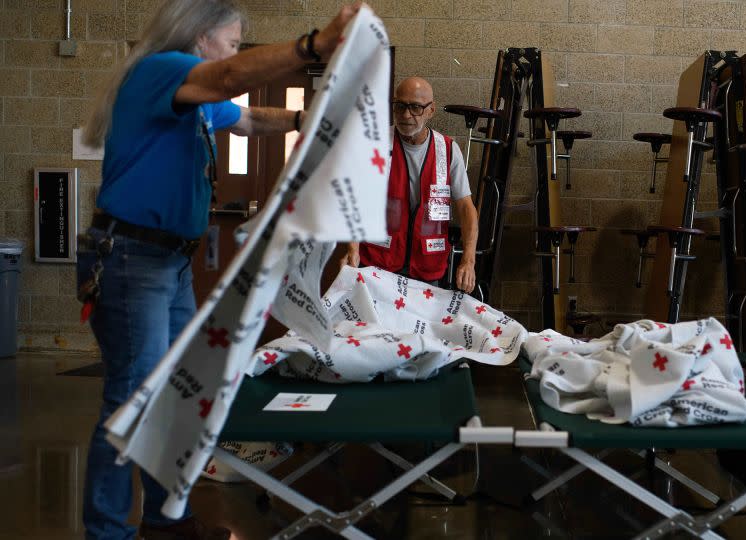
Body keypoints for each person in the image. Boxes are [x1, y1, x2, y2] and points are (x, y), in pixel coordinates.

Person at [78, 1, 364, 538]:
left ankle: (168, 520)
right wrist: (314, 46)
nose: (235, 52)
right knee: (132, 399)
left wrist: (307, 119)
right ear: (201, 36)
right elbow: (231, 78)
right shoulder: (162, 69)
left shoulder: (193, 98)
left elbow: (252, 117)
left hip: (169, 262)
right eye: (232, 41)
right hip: (132, 260)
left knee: (179, 395)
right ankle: (107, 531)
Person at [341, 77, 479, 293]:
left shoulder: (448, 150)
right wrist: (352, 248)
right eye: (400, 106)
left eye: (415, 107)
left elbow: (466, 208)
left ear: (431, 110)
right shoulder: (375, 144)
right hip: (378, 264)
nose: (406, 115)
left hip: (428, 269)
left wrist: (468, 261)